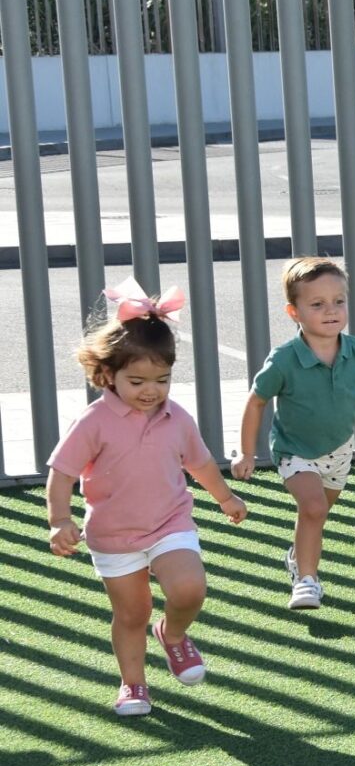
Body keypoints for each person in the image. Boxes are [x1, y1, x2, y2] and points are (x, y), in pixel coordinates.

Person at [44, 280, 249, 716]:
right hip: (114, 536)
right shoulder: (93, 421)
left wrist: (226, 498)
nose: (151, 390)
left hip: (169, 524)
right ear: (108, 375)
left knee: (190, 588)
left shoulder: (177, 418)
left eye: (162, 379)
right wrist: (60, 520)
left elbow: (201, 464)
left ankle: (173, 635)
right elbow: (61, 474)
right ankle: (133, 685)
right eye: (137, 380)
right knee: (132, 614)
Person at [233, 257, 355, 611]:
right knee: (311, 507)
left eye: (338, 301)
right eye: (317, 304)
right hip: (294, 450)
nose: (331, 311)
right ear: (293, 311)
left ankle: (299, 556)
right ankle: (307, 581)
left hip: (339, 451)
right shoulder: (283, 359)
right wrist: (246, 453)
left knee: (317, 515)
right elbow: (255, 403)